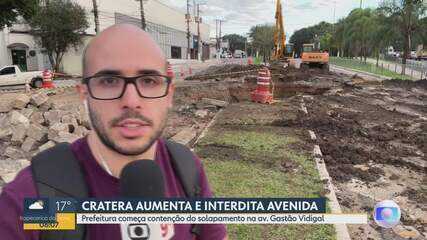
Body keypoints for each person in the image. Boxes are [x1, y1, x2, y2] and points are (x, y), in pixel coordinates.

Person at [0, 24, 227, 240]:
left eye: (148, 80)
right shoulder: (39, 198)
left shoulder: (188, 171)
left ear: (169, 94)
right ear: (84, 94)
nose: (131, 101)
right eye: (109, 81)